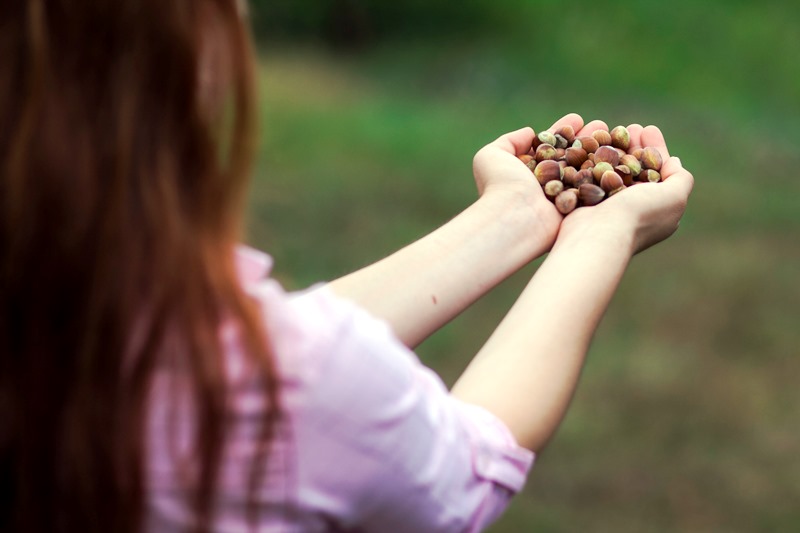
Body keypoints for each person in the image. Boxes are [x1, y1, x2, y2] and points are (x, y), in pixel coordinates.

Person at [0, 1, 694, 532]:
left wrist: (512, 218)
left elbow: (263, 346)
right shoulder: (286, 395)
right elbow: (468, 468)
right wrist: (600, 237)